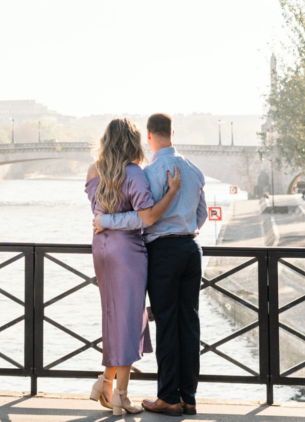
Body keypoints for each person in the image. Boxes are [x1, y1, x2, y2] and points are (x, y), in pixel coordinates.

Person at [95, 113, 207, 417]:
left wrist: (106, 220)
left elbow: (144, 217)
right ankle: (190, 397)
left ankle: (168, 397)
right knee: (190, 324)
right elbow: (202, 214)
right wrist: (185, 228)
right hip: (191, 248)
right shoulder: (194, 170)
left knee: (167, 324)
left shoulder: (149, 173)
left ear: (149, 135)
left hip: (164, 252)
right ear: (173, 132)